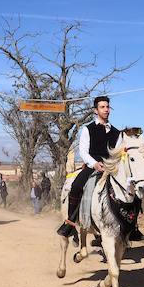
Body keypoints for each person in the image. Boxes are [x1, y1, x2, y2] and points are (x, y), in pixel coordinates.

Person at [58, 97, 120, 238]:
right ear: (95, 110)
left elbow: (117, 152)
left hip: (111, 168)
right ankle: (70, 223)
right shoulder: (88, 129)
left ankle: (132, 227)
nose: (106, 110)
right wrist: (95, 164)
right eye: (103, 107)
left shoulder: (116, 132)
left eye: (108, 107)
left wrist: (112, 164)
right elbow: (83, 151)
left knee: (129, 189)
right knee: (76, 187)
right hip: (93, 166)